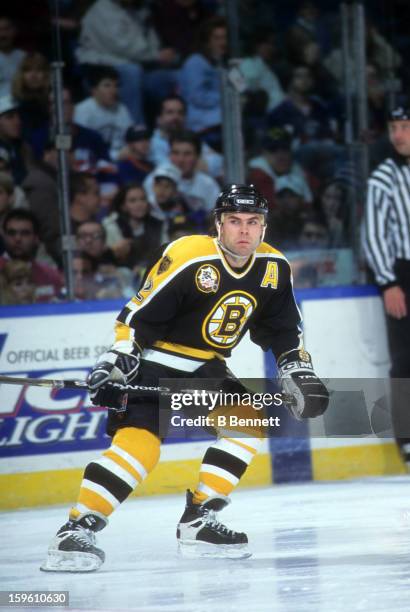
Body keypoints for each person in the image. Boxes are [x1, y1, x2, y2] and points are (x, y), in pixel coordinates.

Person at [41, 183, 329, 572]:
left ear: (264, 227)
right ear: (219, 224)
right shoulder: (189, 255)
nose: (244, 230)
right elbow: (136, 318)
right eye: (234, 221)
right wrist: (117, 362)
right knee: (140, 448)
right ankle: (76, 528)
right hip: (154, 362)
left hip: (206, 366)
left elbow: (282, 331)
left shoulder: (274, 268)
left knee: (246, 420)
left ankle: (199, 519)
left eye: (253, 222)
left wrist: (297, 370)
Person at [362, 106, 410, 469]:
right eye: (394, 127)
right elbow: (374, 235)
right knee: (405, 361)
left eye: (404, 127)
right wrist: (389, 282)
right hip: (403, 275)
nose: (398, 134)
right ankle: (407, 439)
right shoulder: (383, 177)